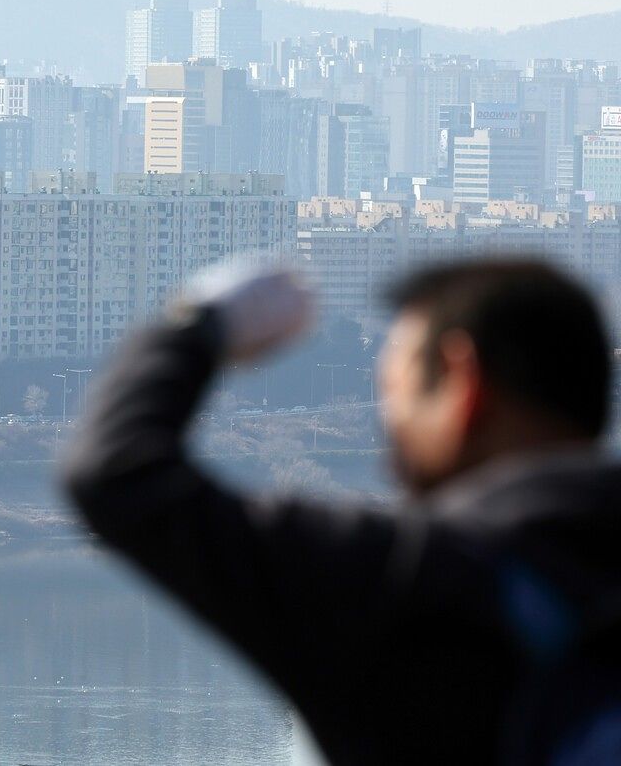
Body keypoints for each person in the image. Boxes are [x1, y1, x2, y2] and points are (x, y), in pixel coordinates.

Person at [61, 259, 621, 765]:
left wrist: (195, 326)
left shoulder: (398, 576)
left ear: (462, 383)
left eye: (392, 393)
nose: (388, 436)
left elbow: (118, 477)